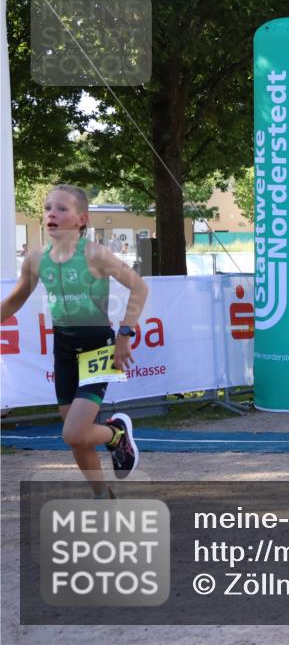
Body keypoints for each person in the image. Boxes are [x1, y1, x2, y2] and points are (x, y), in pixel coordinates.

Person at [1, 185, 148, 499]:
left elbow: (139, 289)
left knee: (74, 432)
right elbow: (15, 300)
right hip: (64, 349)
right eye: (48, 207)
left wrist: (125, 334)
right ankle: (102, 495)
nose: (52, 213)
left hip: (98, 345)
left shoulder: (95, 253)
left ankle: (115, 434)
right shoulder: (36, 258)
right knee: (76, 438)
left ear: (82, 219)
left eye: (62, 208)